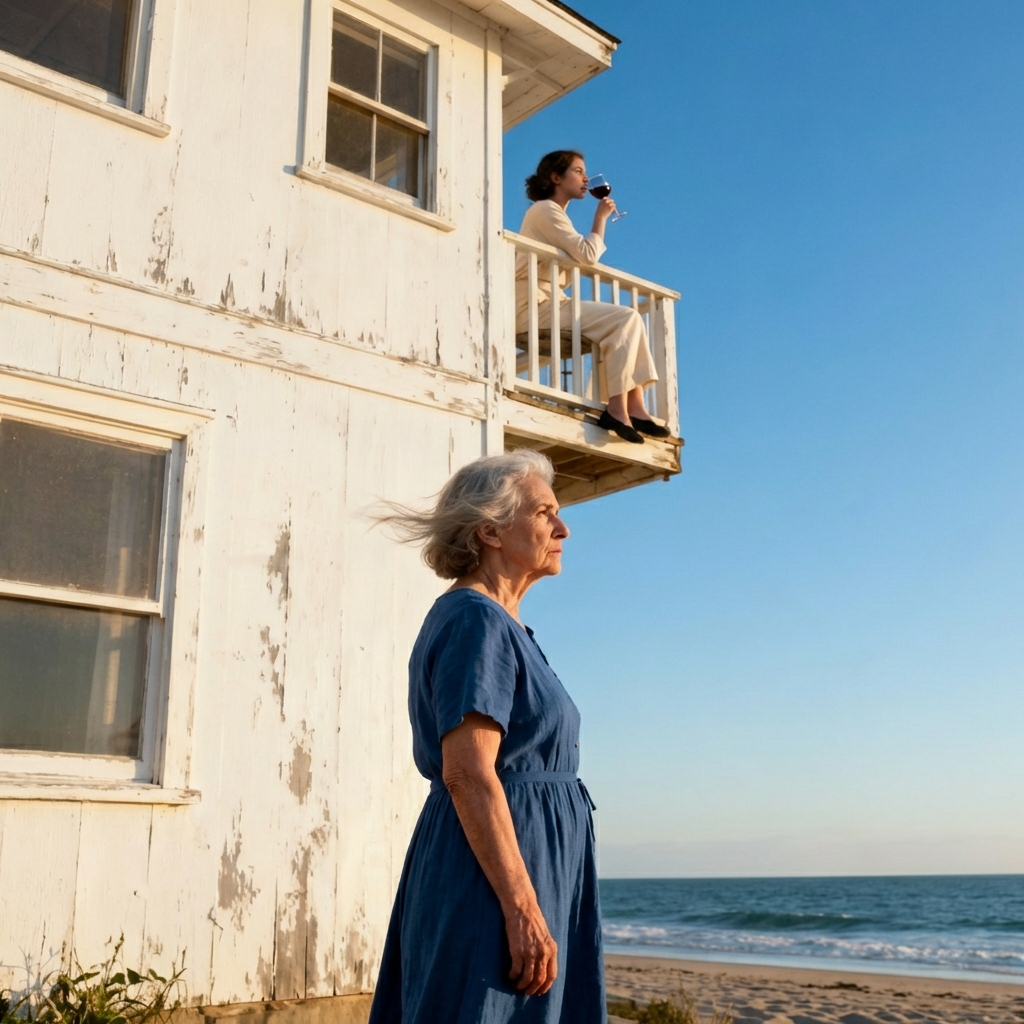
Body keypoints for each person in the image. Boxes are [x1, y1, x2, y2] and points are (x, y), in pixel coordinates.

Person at [369, 450, 604, 1024]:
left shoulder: (505, 624)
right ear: (490, 530)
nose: (563, 527)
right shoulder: (474, 620)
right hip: (495, 874)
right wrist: (521, 905)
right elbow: (468, 771)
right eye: (545, 511)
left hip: (530, 863)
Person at [515, 150, 670, 445]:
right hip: (532, 305)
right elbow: (587, 255)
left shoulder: (555, 214)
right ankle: (616, 408)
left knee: (630, 319)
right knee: (624, 318)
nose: (586, 178)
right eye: (578, 171)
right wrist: (600, 218)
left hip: (550, 301)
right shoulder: (544, 210)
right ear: (555, 177)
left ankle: (633, 407)